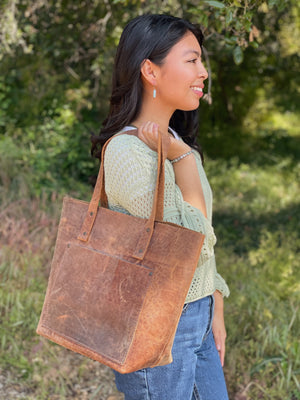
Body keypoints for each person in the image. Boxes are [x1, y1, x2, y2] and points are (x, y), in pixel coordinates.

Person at [91, 13, 230, 400]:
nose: (203, 72)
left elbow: (206, 249)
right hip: (158, 327)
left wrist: (213, 306)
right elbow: (192, 243)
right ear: (150, 71)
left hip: (197, 319)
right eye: (192, 60)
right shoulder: (127, 153)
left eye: (201, 61)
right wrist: (183, 159)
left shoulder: (173, 141)